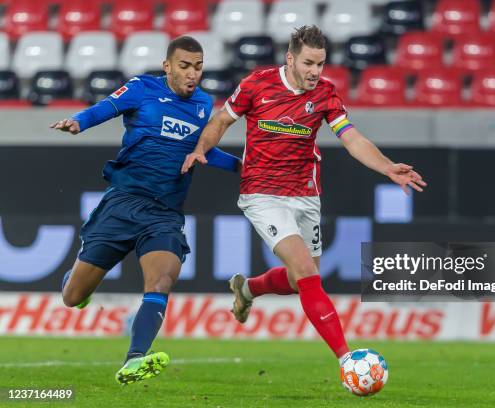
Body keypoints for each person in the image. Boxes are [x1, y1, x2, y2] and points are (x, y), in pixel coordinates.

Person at [181, 26, 426, 365]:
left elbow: (352, 138)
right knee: (306, 273)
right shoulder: (257, 84)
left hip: (305, 194)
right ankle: (348, 361)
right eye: (309, 63)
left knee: (302, 280)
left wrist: (386, 167)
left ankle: (247, 289)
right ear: (291, 58)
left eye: (321, 64)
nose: (315, 72)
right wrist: (200, 149)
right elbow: (222, 121)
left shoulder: (325, 93)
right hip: (262, 193)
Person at [50, 36, 241, 385]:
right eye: (184, 66)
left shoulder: (202, 104)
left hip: (164, 213)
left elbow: (202, 151)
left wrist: (242, 167)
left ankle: (135, 358)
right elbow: (106, 107)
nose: (192, 74)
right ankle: (78, 286)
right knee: (72, 296)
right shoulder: (142, 88)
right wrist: (79, 121)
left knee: (162, 278)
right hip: (122, 203)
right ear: (167, 65)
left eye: (198, 67)